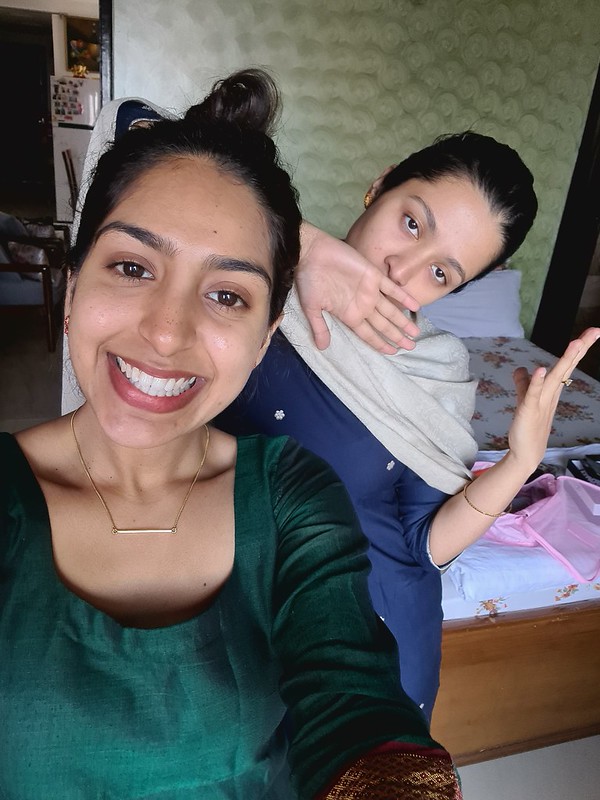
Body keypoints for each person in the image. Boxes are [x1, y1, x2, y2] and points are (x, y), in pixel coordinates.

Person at [0, 69, 465, 799]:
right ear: (74, 285)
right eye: (132, 266)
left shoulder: (290, 495)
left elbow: (354, 702)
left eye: (227, 294)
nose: (166, 332)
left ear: (264, 338)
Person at [217, 131, 600, 719]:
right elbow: (139, 134)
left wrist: (521, 459)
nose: (402, 270)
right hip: (226, 622)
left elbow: (424, 544)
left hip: (376, 643)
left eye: (441, 274)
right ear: (380, 186)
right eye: (412, 223)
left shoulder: (438, 369)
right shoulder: (253, 269)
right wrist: (300, 241)